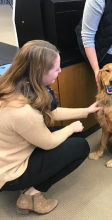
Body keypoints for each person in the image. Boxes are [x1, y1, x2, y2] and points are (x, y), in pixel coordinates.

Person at [0, 40, 102, 214]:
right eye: (56, 69)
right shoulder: (22, 111)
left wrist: (86, 111)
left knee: (73, 137)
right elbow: (48, 142)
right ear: (39, 72)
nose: (60, 71)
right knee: (81, 146)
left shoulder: (16, 84)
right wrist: (71, 128)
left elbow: (49, 113)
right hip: (9, 173)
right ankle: (31, 196)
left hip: (9, 152)